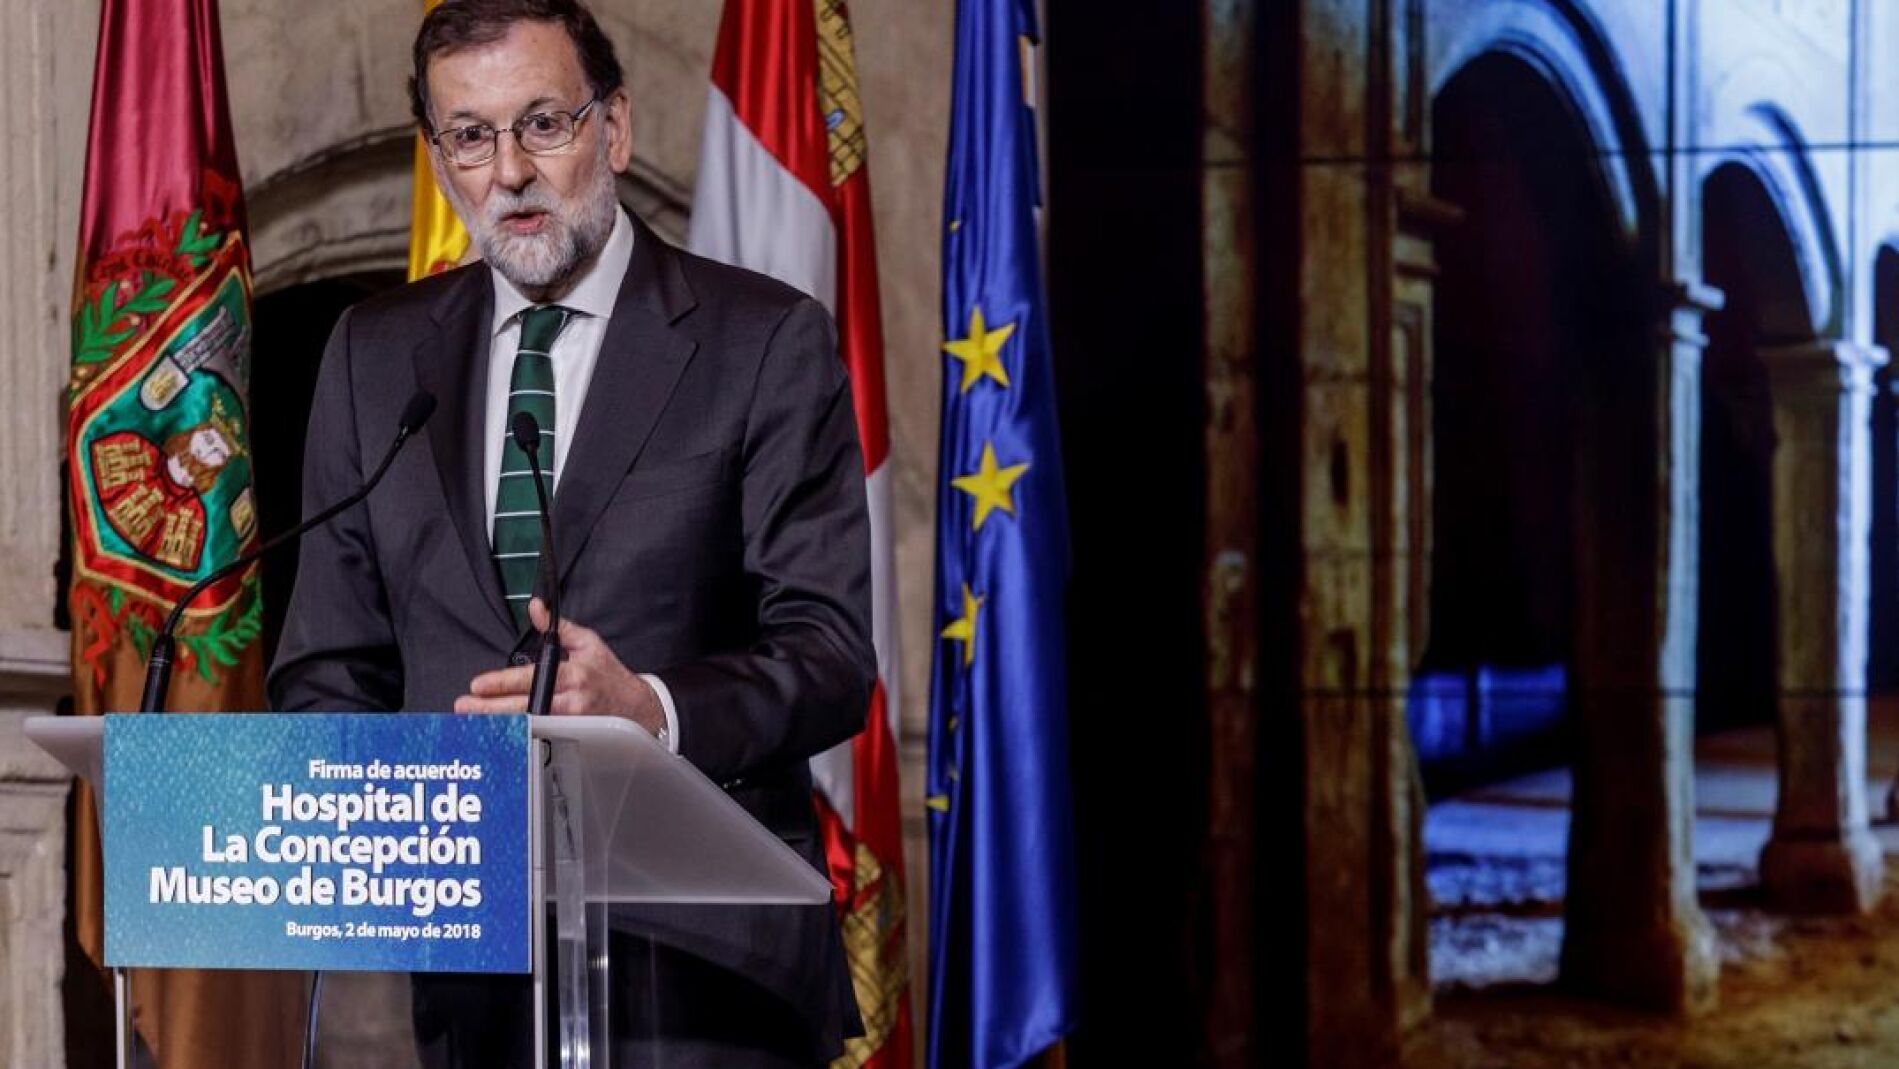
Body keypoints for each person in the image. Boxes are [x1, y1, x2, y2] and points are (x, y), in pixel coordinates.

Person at [267, 1, 873, 1065]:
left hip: (710, 984)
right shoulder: (374, 356)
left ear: (614, 128)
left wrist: (652, 710)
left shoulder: (762, 339)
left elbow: (828, 655)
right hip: (475, 982)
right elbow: (328, 668)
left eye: (543, 123)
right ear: (439, 158)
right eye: (471, 135)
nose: (510, 171)